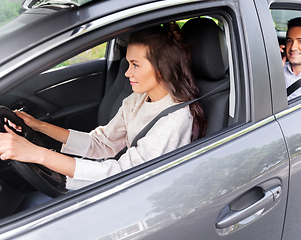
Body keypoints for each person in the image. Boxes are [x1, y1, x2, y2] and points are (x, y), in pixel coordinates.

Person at [0, 23, 206, 191]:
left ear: (162, 68)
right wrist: (38, 126)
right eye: (128, 64)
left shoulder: (176, 119)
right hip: (124, 183)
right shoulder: (138, 100)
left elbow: (123, 174)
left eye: (135, 65)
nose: (127, 73)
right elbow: (101, 143)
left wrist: (36, 154)